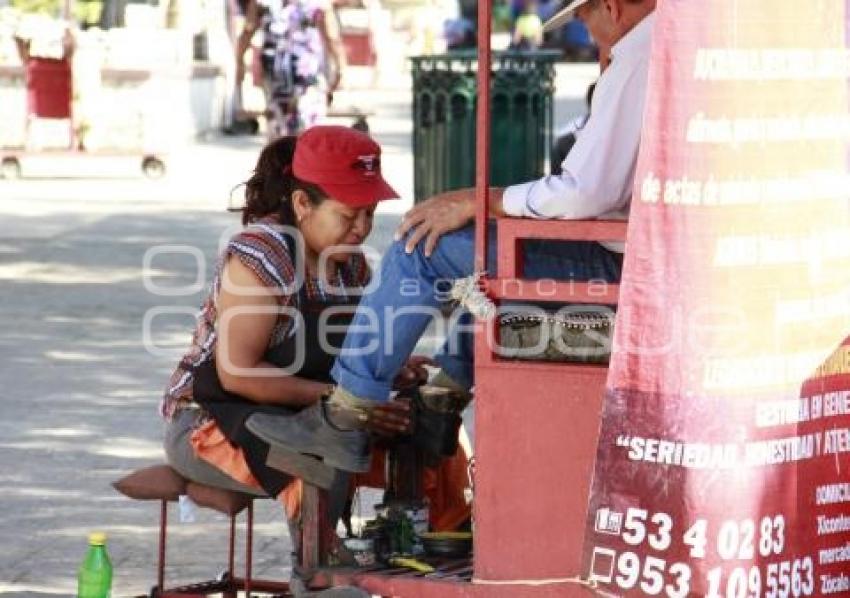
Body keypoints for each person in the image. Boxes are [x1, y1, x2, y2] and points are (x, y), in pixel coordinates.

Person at [246, 0, 657, 473]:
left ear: (611, 6)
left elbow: (584, 192)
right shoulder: (658, 52)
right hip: (629, 254)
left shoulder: (636, 58)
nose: (584, 32)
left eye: (582, 17)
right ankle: (440, 401)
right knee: (481, 271)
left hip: (621, 266)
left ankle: (344, 416)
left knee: (420, 248)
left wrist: (480, 200)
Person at [161, 126, 469, 554]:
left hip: (301, 412)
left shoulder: (349, 266)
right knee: (318, 449)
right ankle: (320, 573)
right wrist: (345, 400)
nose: (361, 229)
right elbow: (238, 376)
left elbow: (340, 355)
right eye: (348, 215)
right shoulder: (262, 256)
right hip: (212, 425)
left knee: (435, 436)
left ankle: (425, 547)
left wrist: (389, 370)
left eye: (369, 214)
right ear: (303, 203)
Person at [235, 0, 346, 138]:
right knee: (309, 128)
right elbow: (331, 37)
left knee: (278, 126)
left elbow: (248, 31)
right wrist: (340, 69)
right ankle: (304, 155)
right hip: (306, 72)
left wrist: (239, 62)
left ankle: (281, 155)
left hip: (276, 73)